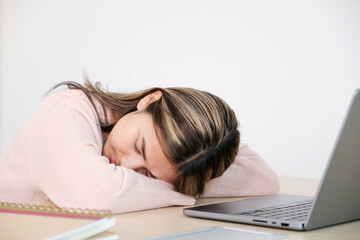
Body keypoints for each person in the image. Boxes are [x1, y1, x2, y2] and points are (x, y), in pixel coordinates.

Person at [0, 79, 279, 214]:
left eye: (147, 175)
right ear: (149, 101)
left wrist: (190, 177)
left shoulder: (171, 162)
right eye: (139, 146)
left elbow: (264, 179)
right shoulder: (65, 111)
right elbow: (100, 194)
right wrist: (182, 193)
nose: (127, 166)